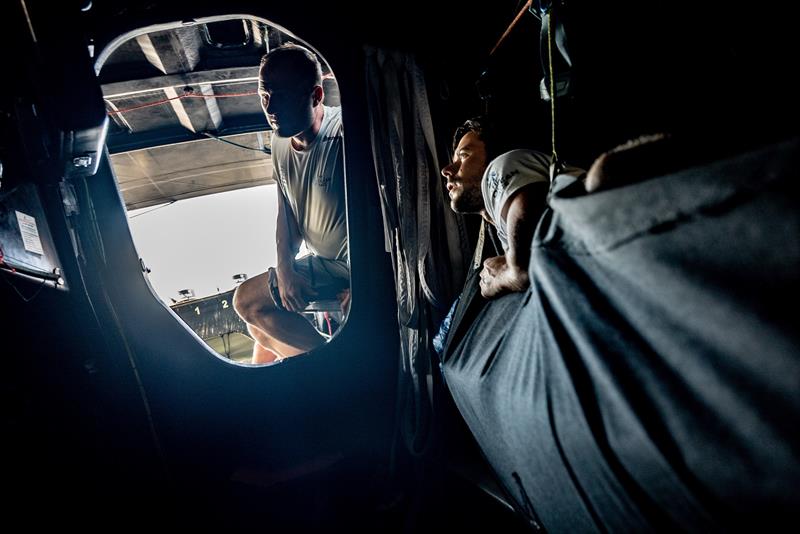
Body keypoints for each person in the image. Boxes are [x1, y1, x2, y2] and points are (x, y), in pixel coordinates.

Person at [233, 43, 349, 364]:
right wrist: (284, 267)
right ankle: (328, 364)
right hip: (324, 264)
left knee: (261, 329)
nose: (270, 107)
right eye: (264, 95)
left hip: (358, 268)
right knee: (249, 306)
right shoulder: (279, 141)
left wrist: (370, 282)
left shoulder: (344, 134)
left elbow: (388, 215)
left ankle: (332, 366)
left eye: (280, 96)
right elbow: (286, 206)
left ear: (316, 96)